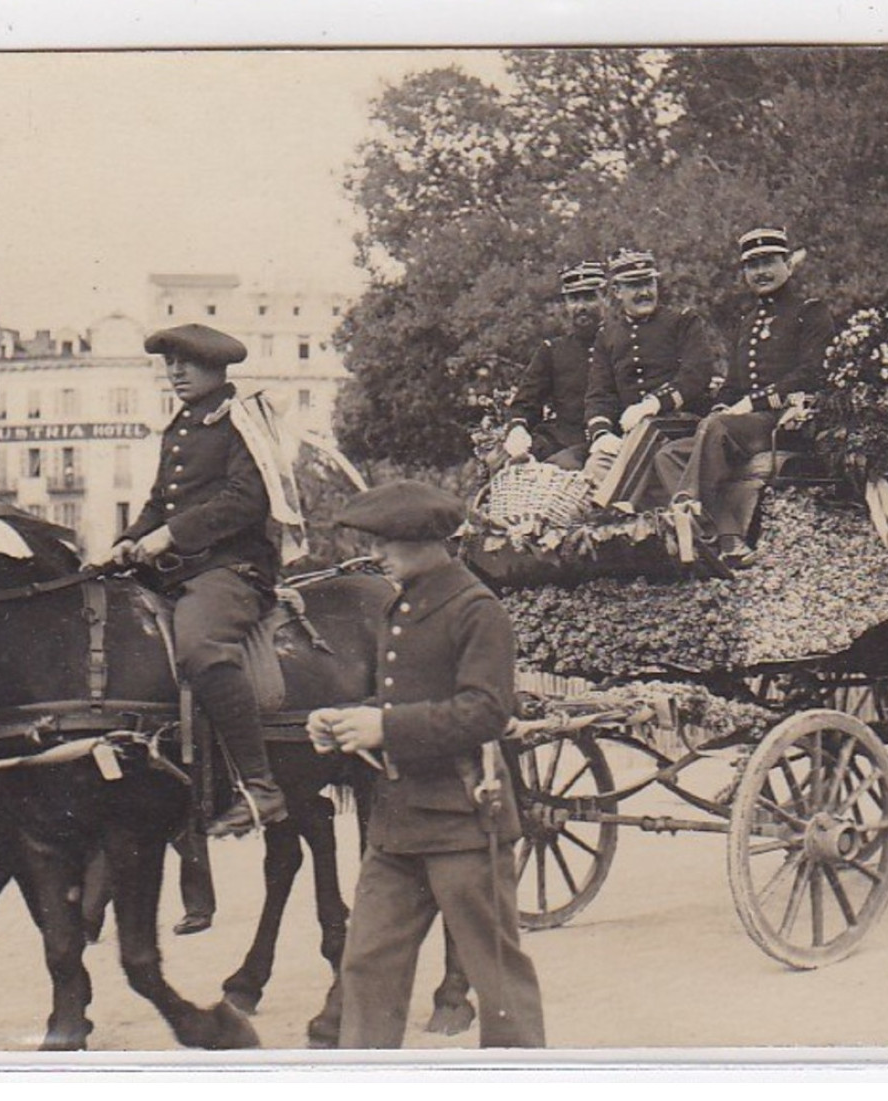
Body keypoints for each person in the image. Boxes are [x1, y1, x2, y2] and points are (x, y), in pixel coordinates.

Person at [308, 480, 545, 1049]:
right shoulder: (401, 604)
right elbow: (402, 699)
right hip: (397, 828)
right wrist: (346, 721)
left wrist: (385, 728)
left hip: (464, 823)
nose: (378, 554)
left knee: (496, 979)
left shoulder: (476, 610)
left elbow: (486, 711)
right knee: (366, 969)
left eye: (388, 542)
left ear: (429, 542)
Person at [105, 323, 305, 838]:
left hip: (231, 567)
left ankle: (261, 786)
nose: (175, 373)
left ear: (217, 367)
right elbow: (158, 500)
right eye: (169, 364)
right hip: (180, 568)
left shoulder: (240, 418)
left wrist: (171, 535)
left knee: (200, 647)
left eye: (186, 363)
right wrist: (127, 540)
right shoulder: (184, 423)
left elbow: (246, 500)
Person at [653, 227, 832, 566]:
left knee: (718, 425)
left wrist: (752, 403)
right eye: (752, 265)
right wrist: (723, 404)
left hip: (782, 420)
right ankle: (730, 539)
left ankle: (686, 512)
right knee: (668, 455)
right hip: (740, 425)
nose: (760, 272)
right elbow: (734, 383)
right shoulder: (748, 321)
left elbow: (813, 372)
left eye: (768, 262)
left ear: (788, 265)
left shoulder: (810, 311)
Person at [581, 249, 716, 484]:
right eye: (634, 285)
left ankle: (619, 505)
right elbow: (600, 394)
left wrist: (653, 404)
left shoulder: (683, 322)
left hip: (683, 424)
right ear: (616, 291)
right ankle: (618, 516)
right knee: (597, 464)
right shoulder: (607, 335)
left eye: (648, 283)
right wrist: (601, 433)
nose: (644, 292)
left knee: (645, 437)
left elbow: (697, 373)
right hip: (632, 433)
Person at [501, 262, 606, 469]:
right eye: (575, 299)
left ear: (607, 299)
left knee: (564, 466)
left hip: (610, 442)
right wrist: (518, 429)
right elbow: (526, 402)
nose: (582, 306)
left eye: (590, 297)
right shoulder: (552, 351)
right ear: (566, 304)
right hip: (564, 440)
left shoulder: (620, 345)